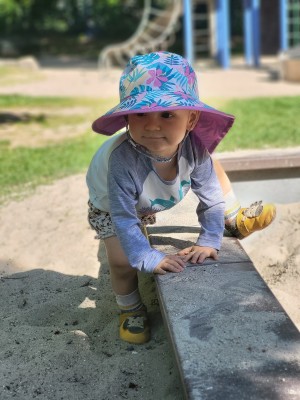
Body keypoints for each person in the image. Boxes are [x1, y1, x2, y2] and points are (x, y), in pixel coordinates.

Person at [86, 51, 276, 344]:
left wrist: (209, 239)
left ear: (191, 119)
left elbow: (211, 197)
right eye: (140, 113)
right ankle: (130, 309)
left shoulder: (194, 148)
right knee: (123, 260)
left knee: (213, 166)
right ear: (126, 118)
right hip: (112, 208)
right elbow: (123, 217)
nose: (152, 125)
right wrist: (146, 255)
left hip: (149, 199)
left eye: (167, 114)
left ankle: (234, 219)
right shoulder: (122, 161)